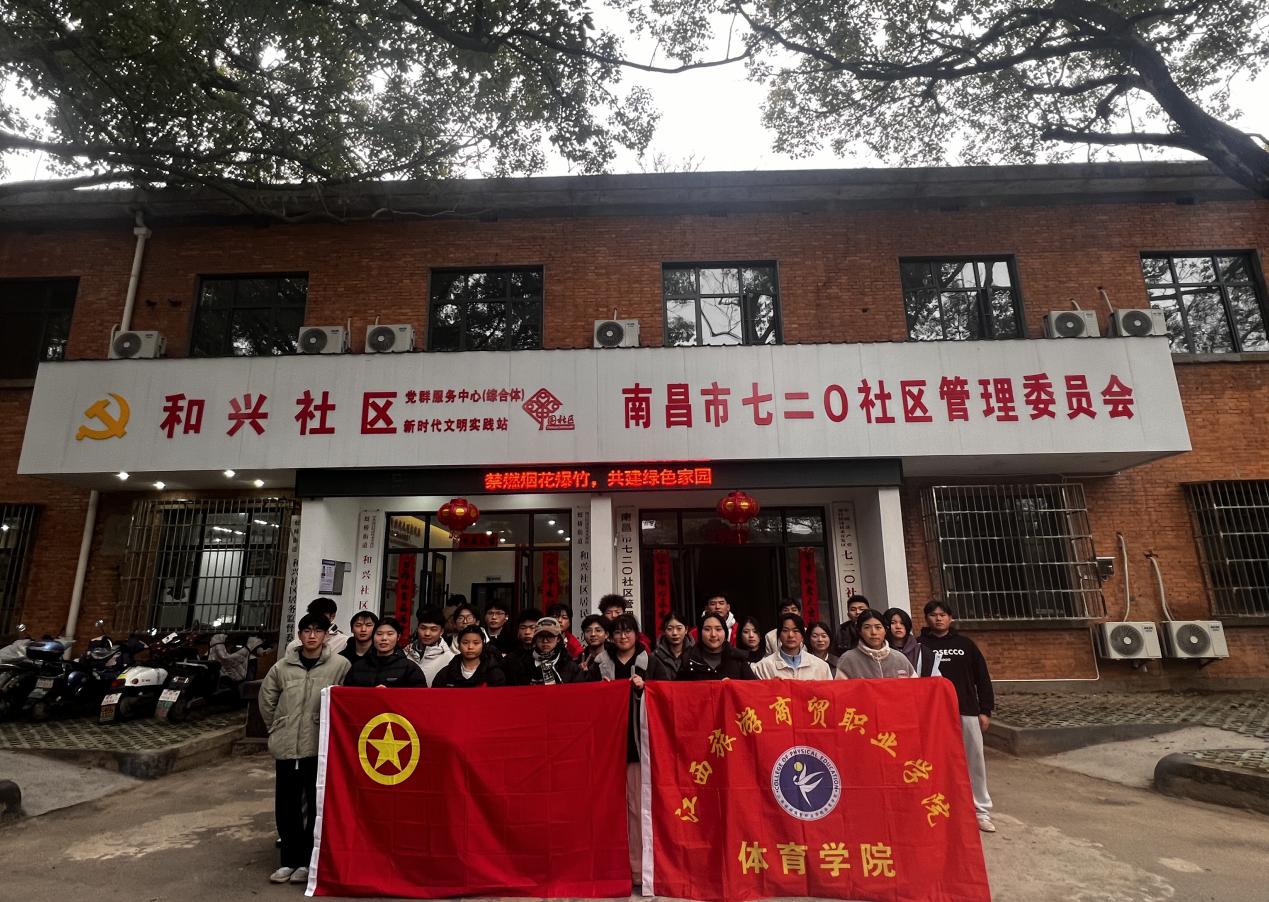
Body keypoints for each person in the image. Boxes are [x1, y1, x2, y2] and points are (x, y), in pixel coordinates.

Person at [259, 613, 351, 885]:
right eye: (307, 630)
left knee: (314, 806)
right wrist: (277, 726)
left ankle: (308, 861)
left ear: (326, 635)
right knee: (286, 804)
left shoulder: (340, 665)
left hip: (318, 747)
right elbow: (267, 699)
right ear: (299, 635)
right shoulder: (283, 667)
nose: (312, 635)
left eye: (318, 631)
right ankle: (288, 859)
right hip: (287, 746)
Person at [918, 599, 997, 834]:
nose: (938, 618)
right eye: (933, 615)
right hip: (932, 715)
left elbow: (982, 678)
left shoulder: (965, 645)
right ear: (927, 619)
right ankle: (942, 808)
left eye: (943, 614)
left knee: (974, 761)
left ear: (950, 618)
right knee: (934, 762)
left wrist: (985, 710)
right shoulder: (920, 645)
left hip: (966, 710)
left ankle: (981, 810)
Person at [344, 617, 428, 687]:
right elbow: (347, 695)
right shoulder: (358, 666)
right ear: (373, 636)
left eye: (390, 634)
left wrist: (388, 694)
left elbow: (419, 697)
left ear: (398, 637)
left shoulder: (409, 668)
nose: (384, 638)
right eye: (379, 634)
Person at [836, 610, 915, 679]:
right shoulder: (848, 659)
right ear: (859, 631)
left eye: (878, 627)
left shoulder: (899, 658)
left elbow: (914, 686)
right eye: (867, 627)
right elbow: (841, 689)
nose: (873, 632)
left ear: (885, 630)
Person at [677, 612, 756, 681]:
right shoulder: (688, 658)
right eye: (707, 629)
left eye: (718, 629)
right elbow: (678, 689)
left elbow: (753, 688)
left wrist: (734, 686)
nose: (713, 634)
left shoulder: (738, 658)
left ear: (725, 633)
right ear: (700, 633)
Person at [754, 613, 833, 680]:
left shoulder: (821, 667)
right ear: (779, 635)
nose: (790, 635)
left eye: (796, 631)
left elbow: (829, 692)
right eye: (785, 630)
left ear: (802, 636)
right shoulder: (763, 667)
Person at [505, 617, 580, 685]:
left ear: (558, 639)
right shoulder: (520, 664)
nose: (545, 641)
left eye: (550, 636)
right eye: (541, 636)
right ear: (535, 638)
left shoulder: (570, 666)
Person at [432, 626, 507, 687]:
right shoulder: (446, 673)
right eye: (465, 643)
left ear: (483, 645)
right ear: (458, 645)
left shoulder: (494, 673)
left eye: (476, 643)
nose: (470, 647)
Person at [403, 605, 455, 686]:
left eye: (433, 629)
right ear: (417, 628)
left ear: (441, 631)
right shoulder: (405, 654)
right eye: (423, 628)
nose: (427, 633)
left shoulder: (450, 659)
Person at [646, 611, 693, 681]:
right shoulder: (654, 657)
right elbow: (648, 683)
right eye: (670, 629)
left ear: (686, 630)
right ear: (664, 631)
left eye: (679, 628)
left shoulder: (695, 655)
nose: (675, 633)